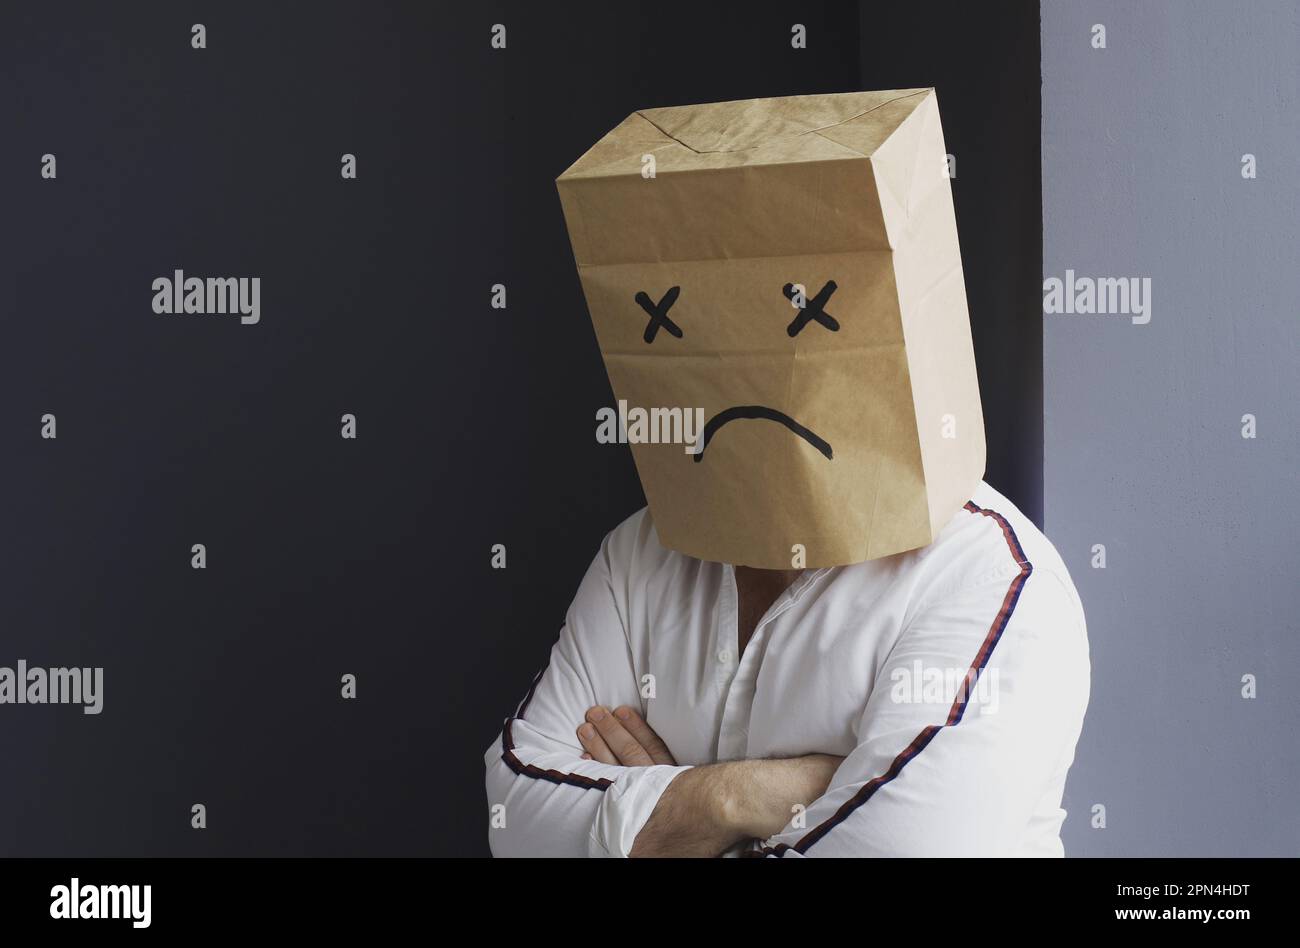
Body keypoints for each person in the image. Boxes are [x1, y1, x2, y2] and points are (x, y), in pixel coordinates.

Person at [484, 481, 1089, 857]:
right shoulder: (641, 549)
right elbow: (514, 820)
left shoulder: (986, 577)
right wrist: (733, 799)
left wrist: (661, 820)